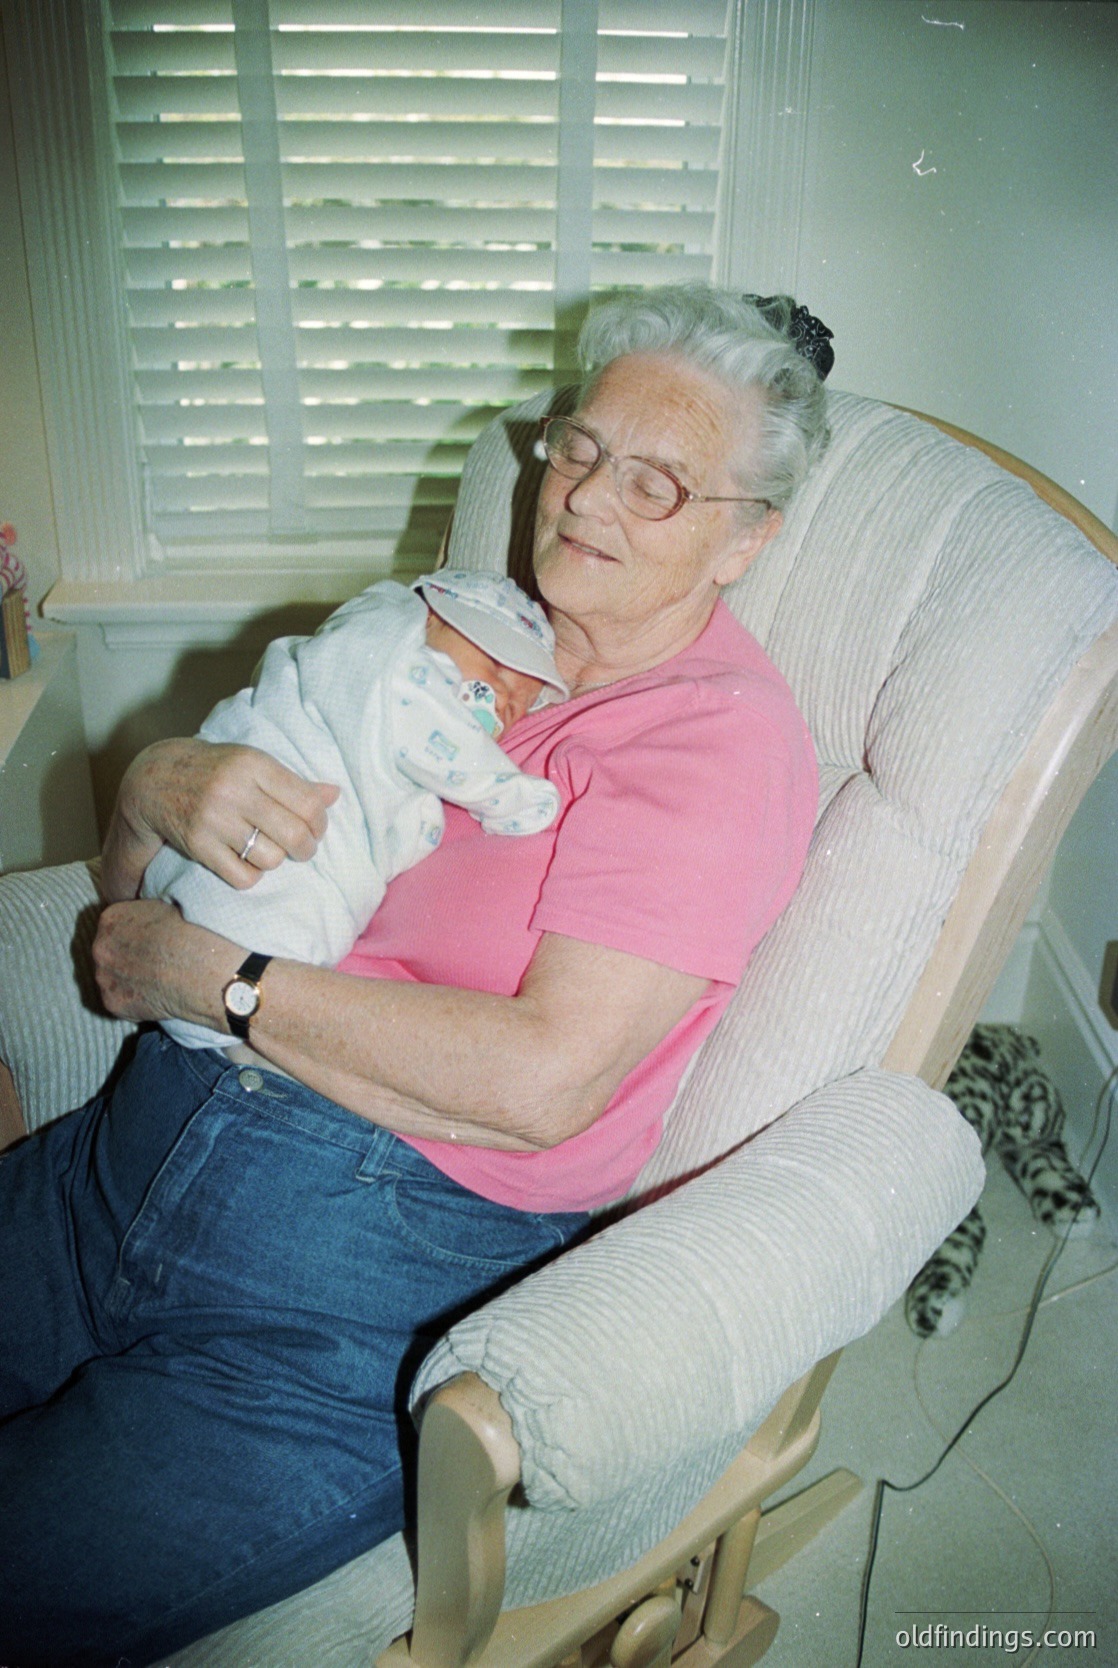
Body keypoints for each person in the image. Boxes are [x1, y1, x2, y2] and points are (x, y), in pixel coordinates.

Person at [0, 283, 829, 1667]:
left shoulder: (708, 748)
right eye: (575, 446)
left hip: (334, 1303)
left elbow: (543, 1083)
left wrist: (223, 982)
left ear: (746, 538)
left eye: (658, 483)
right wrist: (157, 781)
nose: (582, 499)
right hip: (114, 1167)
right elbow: (124, 904)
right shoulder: (457, 632)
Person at [143, 569, 566, 1050]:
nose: (504, 700)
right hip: (258, 866)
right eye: (496, 668)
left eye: (520, 704)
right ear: (429, 621)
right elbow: (442, 742)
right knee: (281, 931)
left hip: (224, 883)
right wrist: (519, 799)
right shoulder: (395, 670)